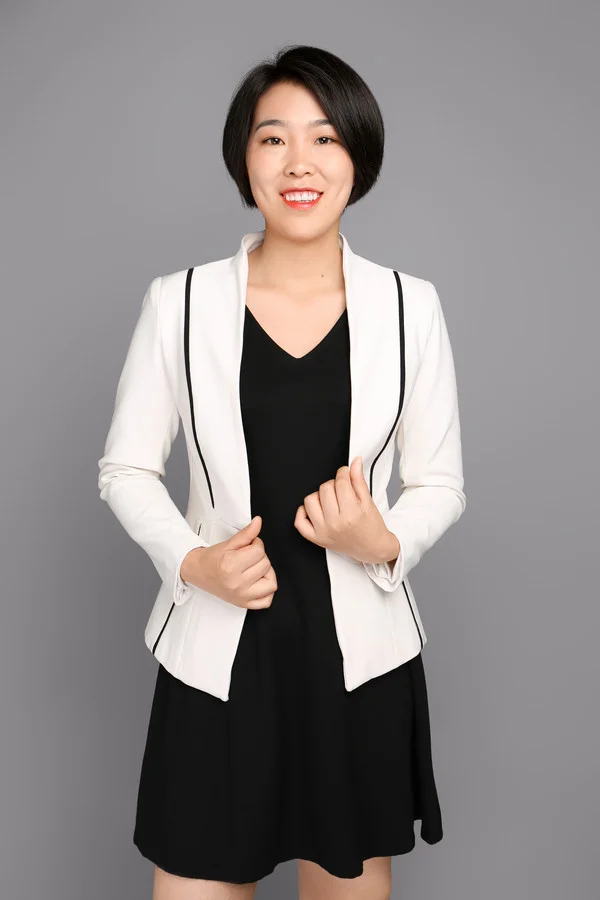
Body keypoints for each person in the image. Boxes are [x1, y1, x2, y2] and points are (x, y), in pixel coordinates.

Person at [98, 43, 466, 900]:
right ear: (245, 158)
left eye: (325, 138)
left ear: (357, 156)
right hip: (217, 654)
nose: (300, 162)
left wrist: (383, 540)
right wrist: (193, 562)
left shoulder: (411, 306)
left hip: (358, 664)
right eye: (274, 139)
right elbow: (125, 467)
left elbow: (440, 483)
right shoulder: (178, 303)